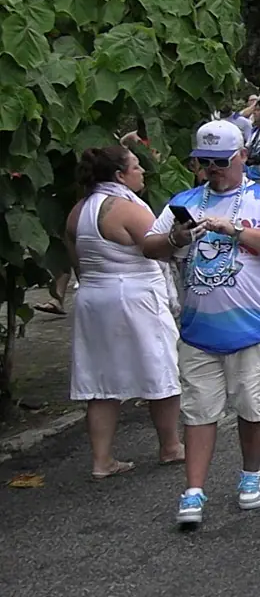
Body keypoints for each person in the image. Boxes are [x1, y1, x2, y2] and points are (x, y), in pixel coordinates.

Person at [142, 121, 260, 526]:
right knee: (198, 411)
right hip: (199, 333)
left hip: (252, 330)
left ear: (242, 157)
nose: (212, 169)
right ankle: (193, 489)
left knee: (253, 406)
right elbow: (148, 245)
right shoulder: (186, 200)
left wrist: (236, 231)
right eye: (204, 161)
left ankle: (251, 474)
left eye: (221, 162)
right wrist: (177, 238)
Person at [67, 146, 184, 478]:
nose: (142, 171)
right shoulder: (128, 209)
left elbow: (75, 258)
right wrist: (179, 238)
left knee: (100, 378)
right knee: (159, 365)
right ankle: (170, 446)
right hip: (133, 295)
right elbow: (158, 246)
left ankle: (101, 460)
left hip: (93, 295)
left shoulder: (78, 210)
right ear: (120, 175)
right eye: (136, 166)